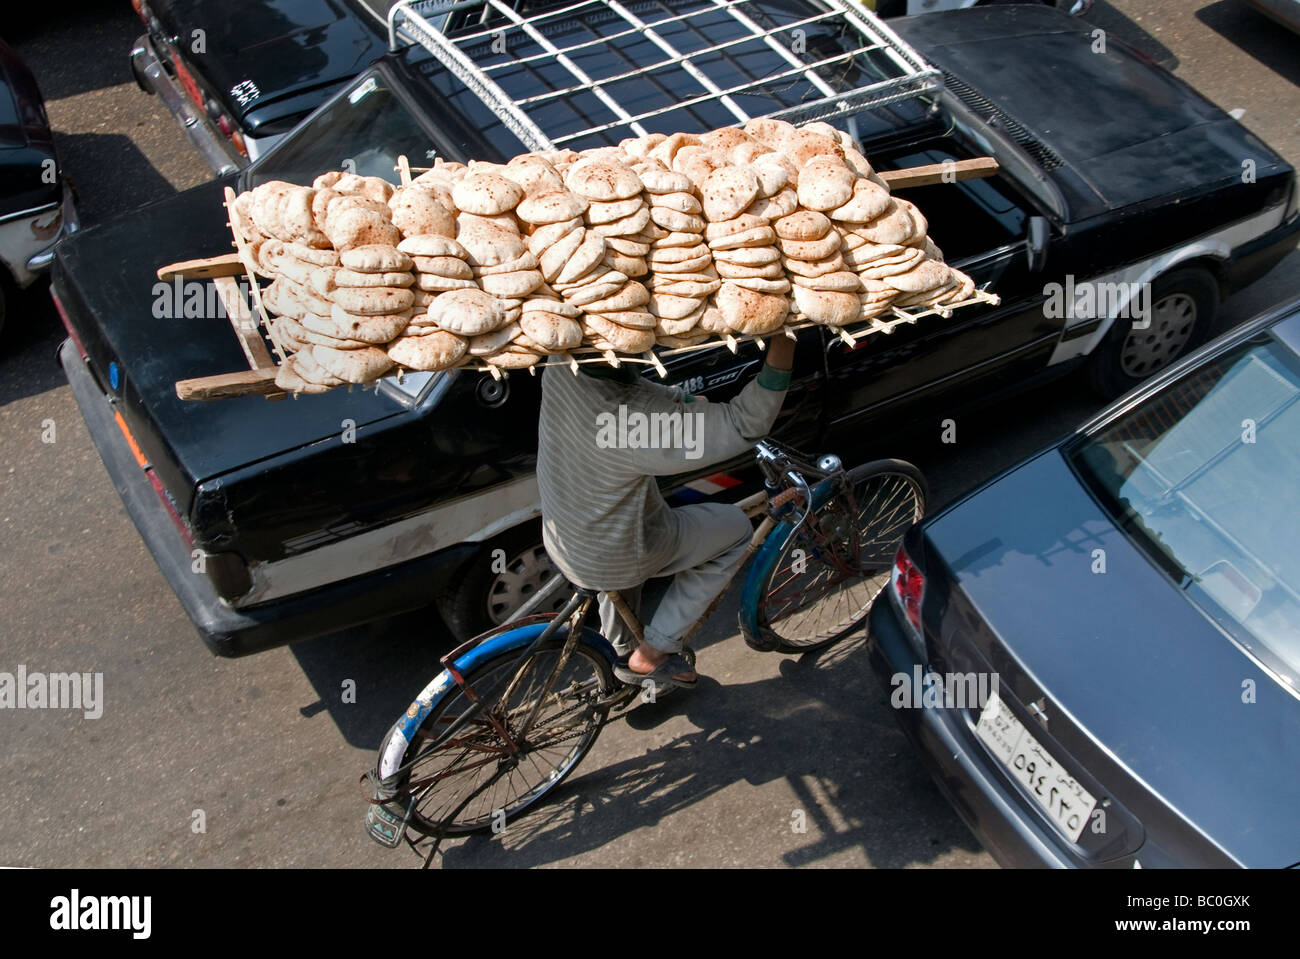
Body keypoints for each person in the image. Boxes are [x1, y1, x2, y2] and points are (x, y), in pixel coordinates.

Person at [536, 336, 795, 689]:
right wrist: (784, 345)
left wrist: (681, 400)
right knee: (735, 529)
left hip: (565, 535)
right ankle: (653, 652)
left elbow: (624, 382)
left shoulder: (560, 367)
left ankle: (619, 651)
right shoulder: (631, 424)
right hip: (614, 552)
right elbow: (744, 424)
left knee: (619, 561)